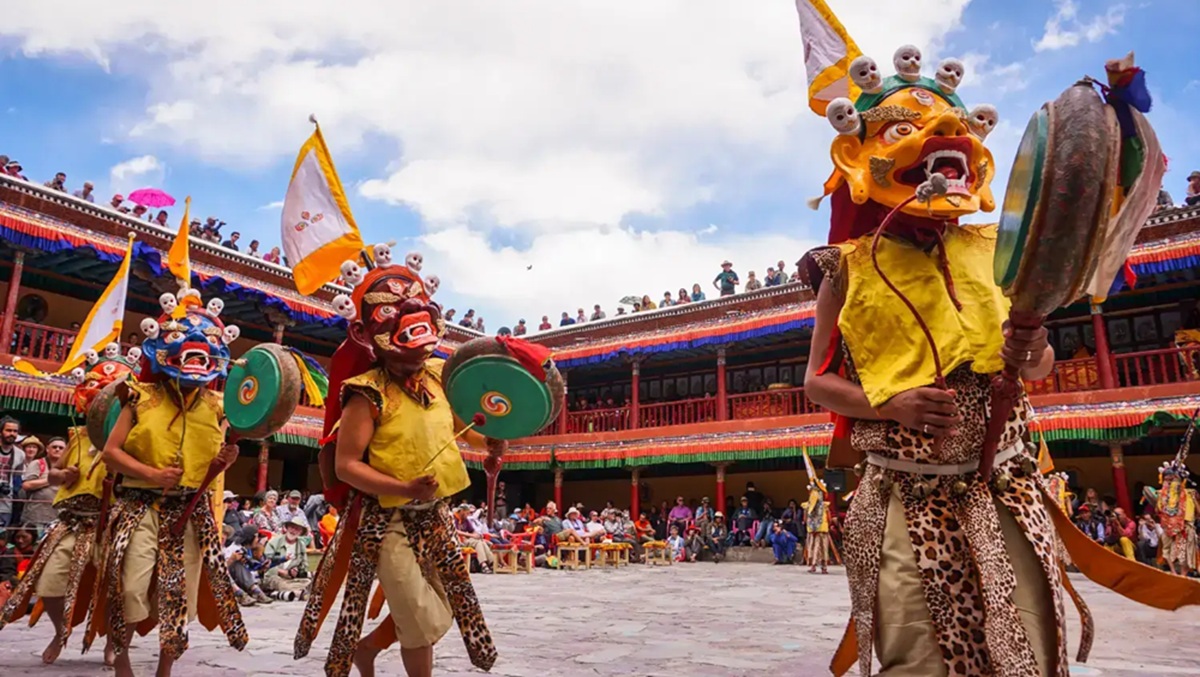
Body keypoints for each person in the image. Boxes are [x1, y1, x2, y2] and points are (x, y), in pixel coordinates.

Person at [798, 43, 1199, 676]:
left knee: (1031, 649)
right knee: (920, 655)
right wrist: (888, 400)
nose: (939, 146)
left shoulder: (998, 246)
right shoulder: (842, 269)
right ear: (862, 154)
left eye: (953, 133)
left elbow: (1036, 369)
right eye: (905, 131)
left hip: (1005, 488)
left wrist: (1033, 346)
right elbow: (816, 383)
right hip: (906, 497)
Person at [294, 254, 499, 677]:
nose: (407, 314)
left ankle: (367, 649)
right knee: (419, 613)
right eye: (389, 309)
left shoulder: (443, 375)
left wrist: (493, 441)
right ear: (364, 331)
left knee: (428, 609)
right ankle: (369, 650)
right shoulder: (365, 394)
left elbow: (468, 429)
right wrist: (404, 487)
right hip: (384, 520)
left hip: (436, 515)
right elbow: (348, 465)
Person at [100, 290, 246, 677]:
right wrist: (150, 473)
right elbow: (111, 453)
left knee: (177, 597)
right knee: (129, 587)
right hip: (139, 506)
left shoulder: (218, 407)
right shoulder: (139, 396)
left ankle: (165, 669)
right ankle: (123, 656)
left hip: (189, 512)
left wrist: (223, 462)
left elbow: (214, 461)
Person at [0, 352, 135, 665]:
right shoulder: (80, 434)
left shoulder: (133, 435)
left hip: (113, 522)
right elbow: (54, 472)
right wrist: (65, 475)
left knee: (119, 588)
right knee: (47, 584)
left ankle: (113, 645)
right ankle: (61, 632)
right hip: (72, 521)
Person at [262, 515, 310, 601]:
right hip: (273, 576)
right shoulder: (274, 542)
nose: (294, 531)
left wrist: (296, 570)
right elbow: (265, 564)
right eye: (292, 527)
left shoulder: (301, 545)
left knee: (309, 582)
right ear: (287, 528)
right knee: (278, 582)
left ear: (300, 533)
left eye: (298, 529)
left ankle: (290, 593)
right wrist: (280, 571)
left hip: (290, 579)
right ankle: (298, 593)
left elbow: (304, 566)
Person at [18, 436, 58, 532]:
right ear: (47, 449)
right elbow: (26, 485)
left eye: (61, 448)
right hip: (36, 517)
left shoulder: (68, 467)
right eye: (54, 447)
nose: (57, 449)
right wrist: (52, 479)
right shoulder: (38, 463)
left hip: (57, 519)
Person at [0, 416, 25, 528]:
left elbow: (17, 479)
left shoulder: (20, 454)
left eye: (15, 431)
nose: (12, 434)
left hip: (5, 503)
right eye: (8, 430)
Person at [803, 483, 831, 574]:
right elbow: (829, 519)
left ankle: (815, 566)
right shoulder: (823, 506)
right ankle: (822, 567)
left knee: (817, 548)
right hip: (819, 530)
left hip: (818, 530)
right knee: (821, 548)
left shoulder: (809, 506)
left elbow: (805, 519)